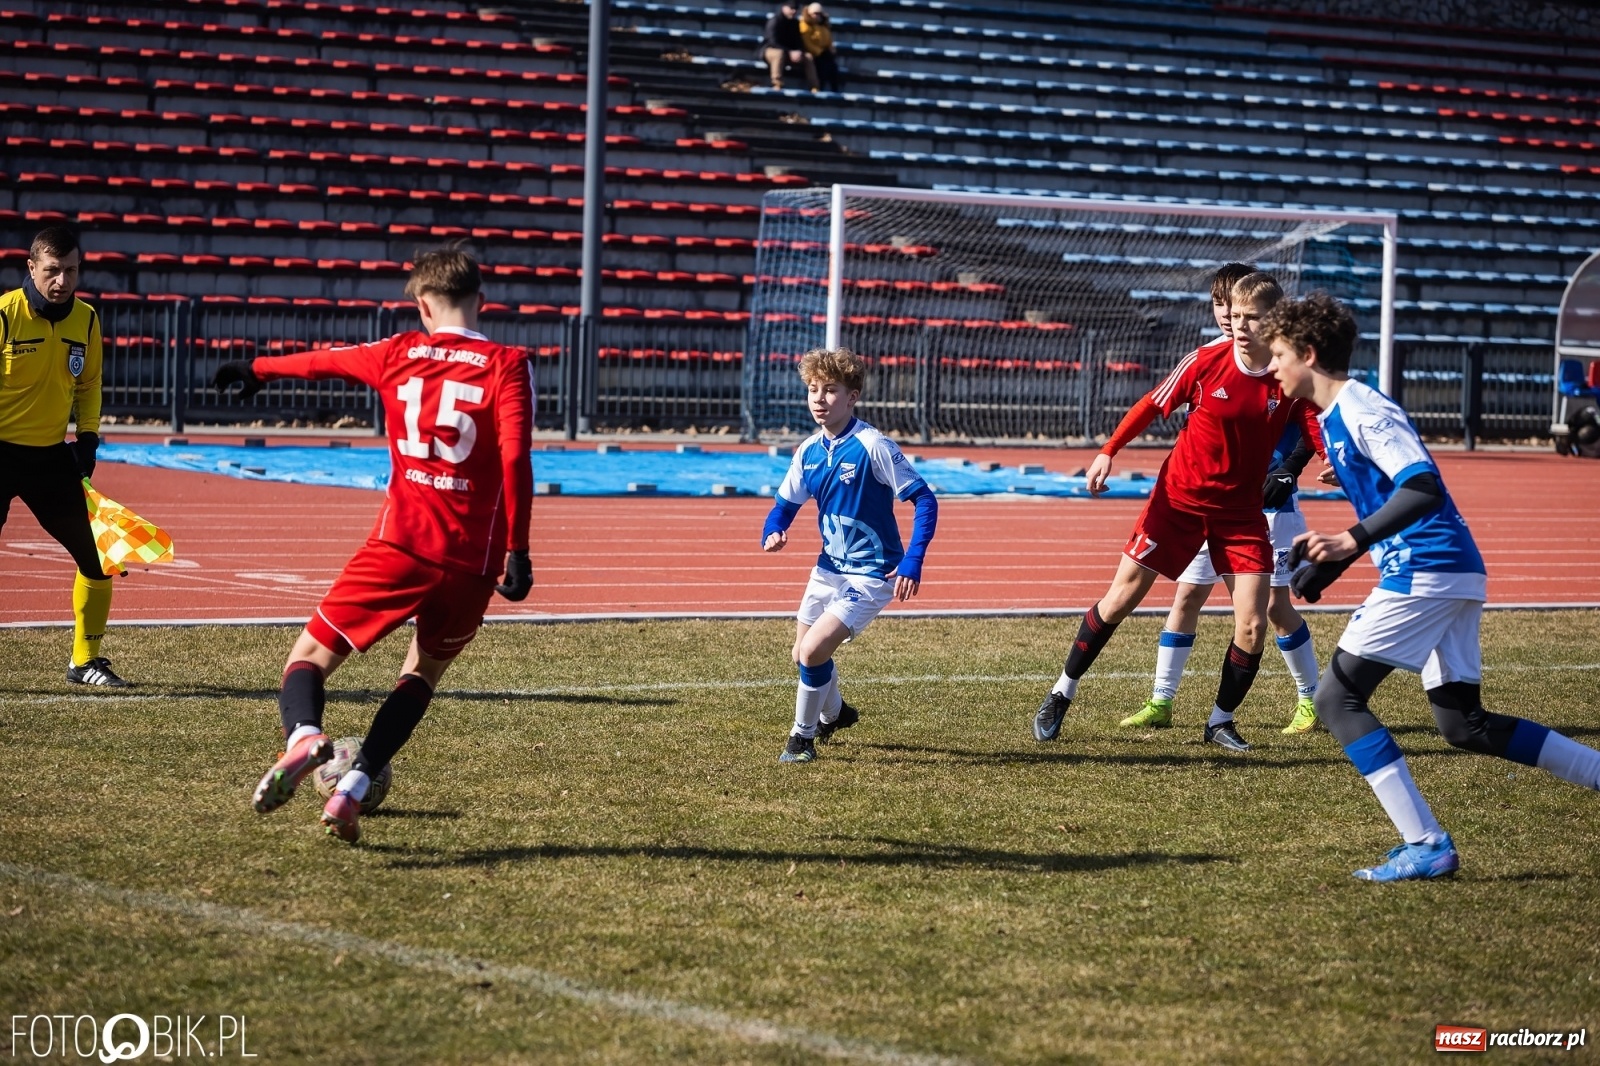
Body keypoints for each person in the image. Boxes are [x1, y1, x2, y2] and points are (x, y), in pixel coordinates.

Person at [1264, 292, 1600, 881]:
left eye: (1279, 355)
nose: (1272, 367)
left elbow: (1423, 487)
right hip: (1446, 569)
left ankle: (1426, 843)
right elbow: (1394, 496)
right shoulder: (1334, 417)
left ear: (1308, 354)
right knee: (1463, 725)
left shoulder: (1361, 408)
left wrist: (1348, 540)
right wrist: (1343, 554)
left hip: (1428, 569)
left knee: (1336, 699)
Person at [215, 247, 534, 843]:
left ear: (422, 305)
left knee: (310, 656)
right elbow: (515, 457)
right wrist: (518, 549)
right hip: (471, 562)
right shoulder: (508, 364)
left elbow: (323, 362)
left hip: (401, 545)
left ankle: (305, 736)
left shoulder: (398, 352)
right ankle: (353, 790)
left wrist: (257, 369)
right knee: (423, 672)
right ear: (481, 301)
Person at [1032, 271, 1323, 752]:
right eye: (1235, 314)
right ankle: (1061, 692)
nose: (1239, 324)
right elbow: (1151, 405)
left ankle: (1220, 721)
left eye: (1251, 317)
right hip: (1178, 503)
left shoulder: (1286, 374)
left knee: (1253, 624)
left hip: (1241, 514)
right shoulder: (1204, 361)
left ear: (1275, 320)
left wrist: (1330, 459)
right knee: (1120, 599)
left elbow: (1312, 421)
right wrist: (1108, 450)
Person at [1125, 272, 1325, 734]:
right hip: (1210, 505)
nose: (1228, 318)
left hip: (1269, 505)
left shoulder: (1281, 361)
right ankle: (1161, 700)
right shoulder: (1210, 359)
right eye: (1221, 307)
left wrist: (1291, 468)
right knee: (1187, 595)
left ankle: (1310, 699)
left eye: (1238, 310)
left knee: (1272, 608)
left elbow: (1310, 419)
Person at [762, 347, 938, 763]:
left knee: (812, 652)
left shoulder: (873, 445)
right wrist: (773, 529)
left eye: (830, 390)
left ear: (852, 397)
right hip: (828, 570)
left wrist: (913, 560)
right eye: (813, 389)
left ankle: (801, 740)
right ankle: (836, 713)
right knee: (802, 654)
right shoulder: (808, 451)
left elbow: (925, 500)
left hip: (872, 574)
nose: (819, 399)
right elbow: (783, 506)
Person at [0, 226, 126, 687]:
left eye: (71, 270)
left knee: (99, 556)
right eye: (53, 270)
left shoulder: (86, 319)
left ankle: (84, 661)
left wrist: (88, 438)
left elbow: (89, 384)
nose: (62, 281)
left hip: (49, 459)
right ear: (31, 267)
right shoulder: (5, 314)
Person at [762, 3, 817, 92]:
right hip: (771, 50)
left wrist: (799, 51)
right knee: (779, 54)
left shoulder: (795, 23)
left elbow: (799, 42)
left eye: (796, 9)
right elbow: (773, 42)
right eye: (791, 8)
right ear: (784, 7)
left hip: (789, 53)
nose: (794, 11)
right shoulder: (775, 21)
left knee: (808, 57)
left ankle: (814, 86)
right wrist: (789, 52)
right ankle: (777, 83)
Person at [801, 3, 843, 93]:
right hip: (813, 52)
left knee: (832, 66)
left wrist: (831, 50)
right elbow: (806, 42)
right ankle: (819, 87)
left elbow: (829, 40)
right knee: (822, 66)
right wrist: (819, 52)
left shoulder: (824, 26)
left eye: (819, 14)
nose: (817, 16)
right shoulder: (805, 25)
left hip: (823, 51)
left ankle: (835, 89)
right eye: (815, 14)